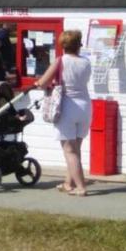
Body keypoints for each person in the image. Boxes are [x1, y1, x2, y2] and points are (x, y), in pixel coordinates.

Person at [35, 29, 92, 196]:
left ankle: (80, 187)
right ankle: (68, 183)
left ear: (63, 45)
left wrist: (39, 82)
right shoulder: (86, 62)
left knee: (69, 150)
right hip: (85, 106)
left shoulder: (61, 61)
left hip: (67, 106)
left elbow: (43, 83)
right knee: (76, 148)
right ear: (78, 45)